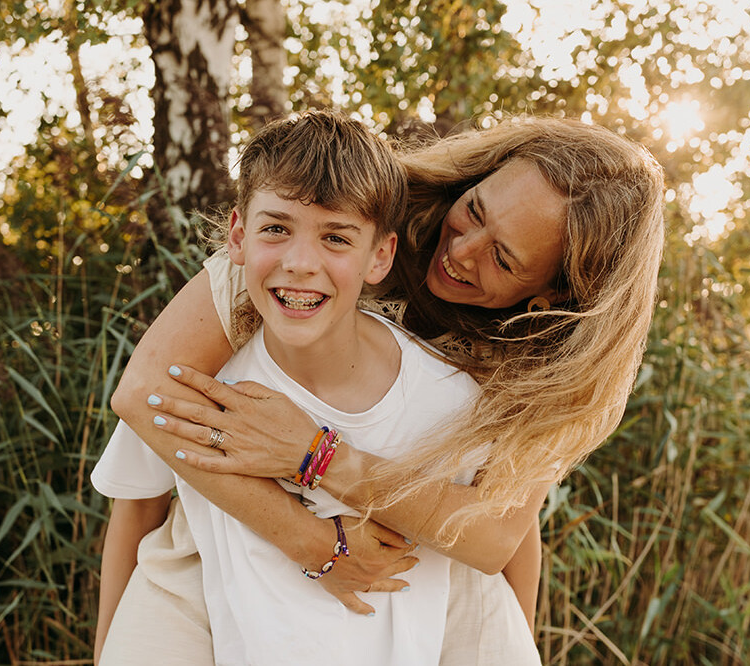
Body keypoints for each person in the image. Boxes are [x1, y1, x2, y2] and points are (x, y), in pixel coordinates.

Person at [106, 113, 665, 658]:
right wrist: (313, 540)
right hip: (231, 546)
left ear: (553, 294)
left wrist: (313, 454)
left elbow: (498, 537)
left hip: (403, 579)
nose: (462, 250)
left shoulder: (542, 372)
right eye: (474, 211)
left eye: (502, 257)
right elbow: (145, 406)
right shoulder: (306, 253)